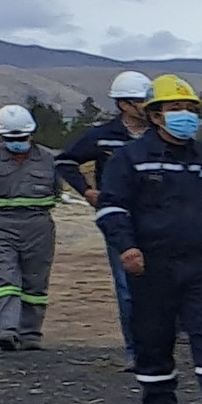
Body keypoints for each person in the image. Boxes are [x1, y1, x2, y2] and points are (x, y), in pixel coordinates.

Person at [97, 75, 202, 404]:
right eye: (175, 108)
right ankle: (159, 401)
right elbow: (112, 208)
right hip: (152, 263)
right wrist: (127, 246)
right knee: (154, 334)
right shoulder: (131, 159)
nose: (185, 115)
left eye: (190, 109)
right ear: (155, 116)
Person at [53, 71, 157, 359]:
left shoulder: (161, 136)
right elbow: (64, 160)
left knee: (164, 280)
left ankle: (164, 343)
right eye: (142, 102)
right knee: (128, 285)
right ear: (125, 105)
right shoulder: (103, 137)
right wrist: (86, 190)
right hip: (119, 219)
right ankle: (136, 352)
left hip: (161, 218)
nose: (149, 108)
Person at [0, 104, 60, 351]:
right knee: (5, 279)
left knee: (35, 282)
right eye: (11, 138)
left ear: (31, 134)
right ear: (1, 136)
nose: (17, 142)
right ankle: (7, 331)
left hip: (38, 226)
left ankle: (30, 334)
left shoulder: (49, 159)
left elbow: (56, 192)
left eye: (21, 138)